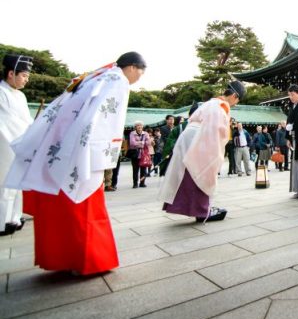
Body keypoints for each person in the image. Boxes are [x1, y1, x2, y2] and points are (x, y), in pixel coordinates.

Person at [5, 51, 146, 274]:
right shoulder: (117, 80)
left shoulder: (97, 76)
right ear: (132, 67)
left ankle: (64, 258)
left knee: (65, 207)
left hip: (62, 144)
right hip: (81, 150)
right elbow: (103, 120)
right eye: (141, 72)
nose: (139, 77)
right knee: (85, 206)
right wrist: (102, 154)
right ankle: (89, 260)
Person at [160, 81, 245, 221]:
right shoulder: (220, 107)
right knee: (202, 172)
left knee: (187, 173)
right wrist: (216, 155)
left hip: (188, 136)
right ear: (235, 96)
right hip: (199, 139)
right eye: (237, 100)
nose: (235, 104)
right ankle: (202, 210)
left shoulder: (210, 103)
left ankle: (191, 207)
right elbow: (214, 132)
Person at [0, 54, 33, 236]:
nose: (26, 80)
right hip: (4, 144)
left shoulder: (20, 96)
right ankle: (2, 221)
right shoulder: (1, 93)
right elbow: (7, 122)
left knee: (16, 183)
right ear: (11, 73)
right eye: (24, 76)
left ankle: (14, 217)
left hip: (19, 144)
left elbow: (26, 121)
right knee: (4, 183)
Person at [129, 121, 152, 188]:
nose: (139, 126)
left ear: (142, 126)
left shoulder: (146, 133)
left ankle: (142, 183)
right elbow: (132, 143)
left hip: (143, 154)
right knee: (135, 169)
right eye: (137, 125)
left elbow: (149, 143)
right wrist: (143, 143)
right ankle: (135, 183)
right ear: (135, 127)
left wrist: (139, 143)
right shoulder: (132, 133)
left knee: (143, 169)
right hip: (135, 154)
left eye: (141, 125)